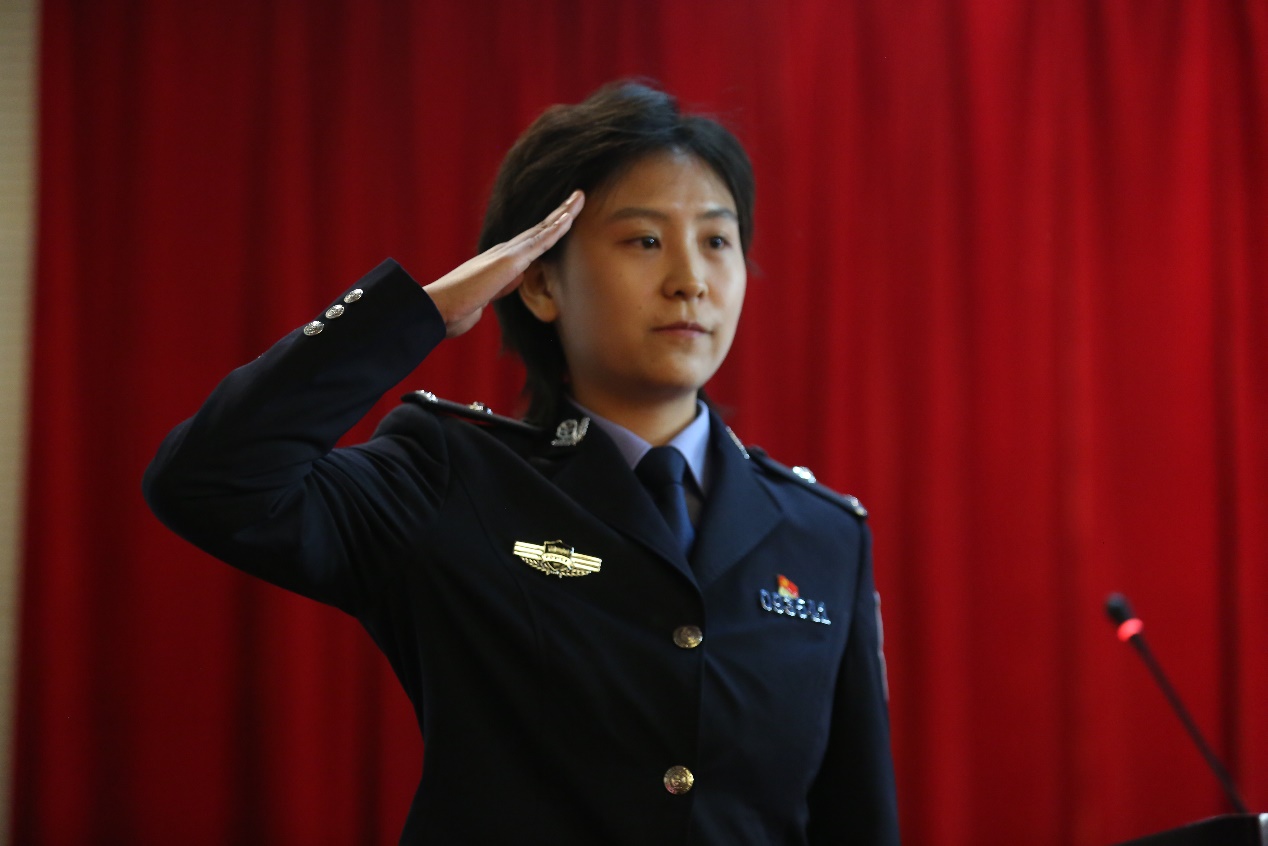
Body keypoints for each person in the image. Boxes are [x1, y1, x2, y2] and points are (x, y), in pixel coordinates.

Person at [144, 81, 899, 845]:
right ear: (538, 282)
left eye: (716, 241)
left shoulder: (822, 534)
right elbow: (211, 480)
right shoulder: (451, 479)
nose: (690, 281)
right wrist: (422, 312)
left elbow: (856, 816)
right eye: (644, 240)